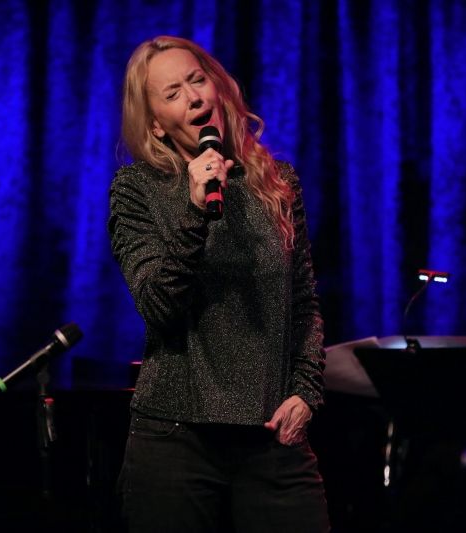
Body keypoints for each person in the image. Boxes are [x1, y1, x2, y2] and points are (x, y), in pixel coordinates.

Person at [107, 35, 329, 532]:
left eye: (197, 80)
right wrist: (194, 209)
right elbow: (158, 305)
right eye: (172, 93)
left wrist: (306, 391)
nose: (193, 98)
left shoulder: (277, 181)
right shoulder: (137, 189)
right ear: (156, 124)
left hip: (272, 434)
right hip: (176, 438)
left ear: (218, 87)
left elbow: (303, 302)